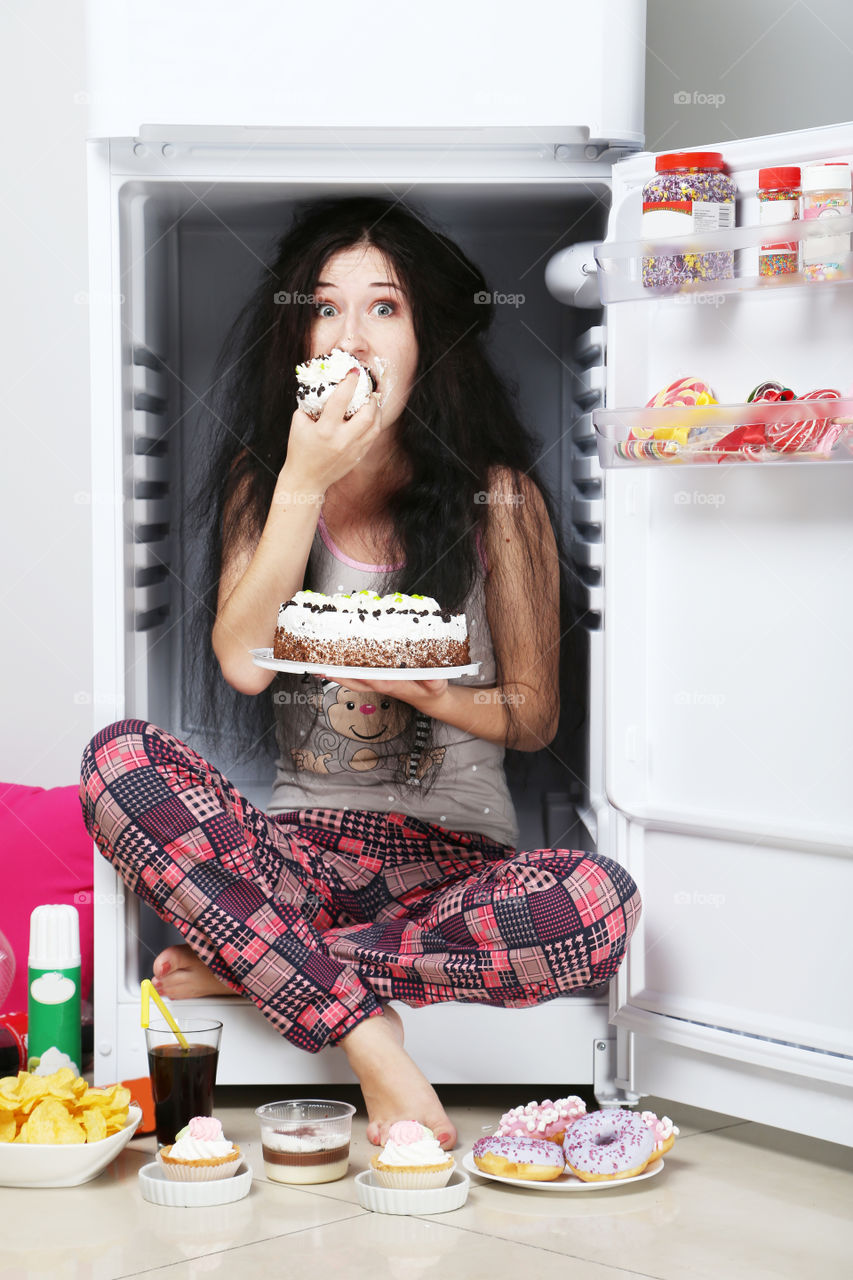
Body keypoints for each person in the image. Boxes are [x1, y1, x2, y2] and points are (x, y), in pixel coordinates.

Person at [79, 197, 641, 1150]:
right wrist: (305, 476)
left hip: (454, 866)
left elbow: (536, 716)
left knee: (595, 903)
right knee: (118, 760)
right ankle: (367, 1035)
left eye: (384, 307)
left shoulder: (496, 495)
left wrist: (421, 684)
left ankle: (254, 959)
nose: (351, 333)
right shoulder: (270, 481)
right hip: (296, 856)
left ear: (429, 338)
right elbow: (244, 666)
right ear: (298, 337)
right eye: (326, 308)